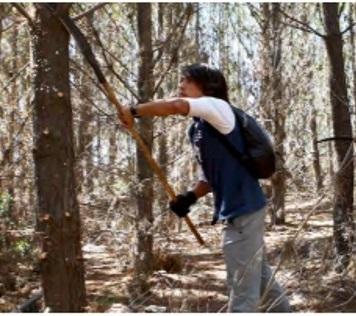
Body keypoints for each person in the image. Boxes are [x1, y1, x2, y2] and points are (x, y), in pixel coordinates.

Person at [119, 64, 291, 312]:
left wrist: (133, 111)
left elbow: (176, 105)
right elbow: (209, 178)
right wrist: (189, 197)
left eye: (186, 82)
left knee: (242, 291)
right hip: (237, 211)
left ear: (206, 87)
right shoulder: (198, 128)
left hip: (245, 210)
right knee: (262, 281)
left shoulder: (218, 107)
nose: (181, 87)